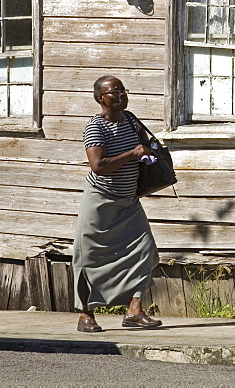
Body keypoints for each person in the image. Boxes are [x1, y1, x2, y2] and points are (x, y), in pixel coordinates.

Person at [72, 75, 162, 333]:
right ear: (101, 98)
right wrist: (133, 154)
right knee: (87, 257)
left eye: (123, 90)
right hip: (100, 201)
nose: (121, 95)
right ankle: (86, 315)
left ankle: (134, 310)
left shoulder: (130, 120)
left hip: (128, 201)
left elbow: (143, 146)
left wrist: (147, 153)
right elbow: (98, 166)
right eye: (115, 91)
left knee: (146, 250)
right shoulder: (95, 128)